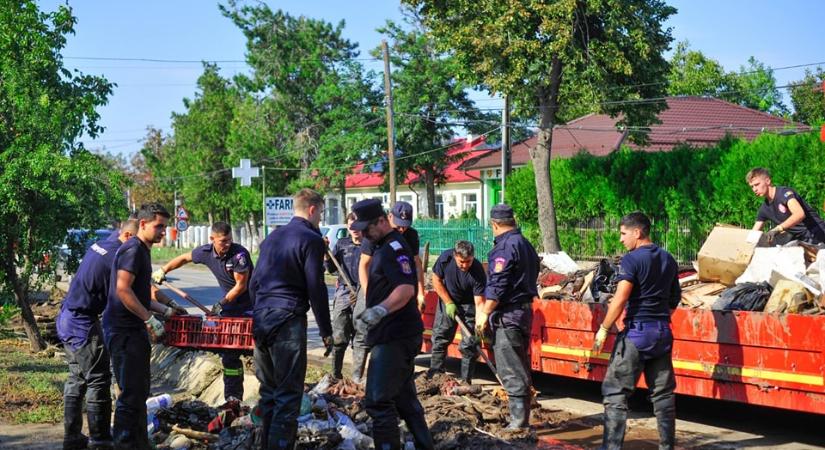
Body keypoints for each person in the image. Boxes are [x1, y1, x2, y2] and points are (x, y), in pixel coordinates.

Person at [249, 189, 333, 450]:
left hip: (262, 320)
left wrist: (260, 311)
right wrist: (326, 330)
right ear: (311, 209)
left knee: (269, 393)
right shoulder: (311, 239)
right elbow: (315, 287)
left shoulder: (272, 237)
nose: (321, 217)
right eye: (320, 211)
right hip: (287, 321)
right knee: (288, 396)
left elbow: (253, 282)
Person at [592, 212, 681, 450]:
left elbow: (620, 298)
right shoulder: (668, 258)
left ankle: (611, 447)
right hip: (662, 334)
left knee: (615, 394)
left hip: (636, 335)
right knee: (663, 396)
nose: (621, 239)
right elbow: (674, 300)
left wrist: (603, 328)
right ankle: (667, 447)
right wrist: (658, 320)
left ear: (637, 232)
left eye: (623, 234)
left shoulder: (631, 261)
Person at [351, 199, 434, 450]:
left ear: (381, 220)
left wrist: (379, 310)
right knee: (403, 398)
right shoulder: (380, 246)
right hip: (392, 333)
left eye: (367, 228)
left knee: (377, 400)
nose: (363, 234)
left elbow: (406, 289)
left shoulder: (394, 248)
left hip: (395, 335)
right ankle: (424, 445)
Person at [57, 219, 145, 449]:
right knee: (98, 379)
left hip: (67, 316)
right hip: (82, 322)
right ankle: (100, 439)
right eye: (134, 242)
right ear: (127, 236)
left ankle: (73, 437)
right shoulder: (117, 254)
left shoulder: (102, 243)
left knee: (77, 376)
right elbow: (123, 291)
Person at [103, 203, 179, 450]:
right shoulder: (133, 249)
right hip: (124, 331)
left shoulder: (142, 250)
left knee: (139, 391)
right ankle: (124, 444)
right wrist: (148, 318)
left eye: (165, 227)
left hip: (132, 330)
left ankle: (138, 443)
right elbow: (122, 290)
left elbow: (140, 293)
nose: (163, 232)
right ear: (143, 224)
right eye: (159, 226)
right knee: (130, 394)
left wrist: (165, 310)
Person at [152, 221, 253, 401]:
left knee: (259, 352)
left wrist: (221, 303)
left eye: (230, 240)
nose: (227, 244)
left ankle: (268, 396)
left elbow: (241, 285)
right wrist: (163, 269)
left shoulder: (239, 255)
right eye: (223, 241)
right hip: (229, 311)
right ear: (212, 239)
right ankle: (233, 399)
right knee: (229, 355)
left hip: (251, 308)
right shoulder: (205, 253)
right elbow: (184, 258)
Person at [476, 204, 539, 430]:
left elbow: (498, 285)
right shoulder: (525, 244)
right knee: (519, 365)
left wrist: (485, 313)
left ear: (494, 224)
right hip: (523, 312)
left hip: (508, 315)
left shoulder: (505, 247)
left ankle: (518, 423)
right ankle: (522, 419)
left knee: (511, 368)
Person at [429, 240, 486, 384]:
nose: (465, 265)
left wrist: (479, 323)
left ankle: (466, 382)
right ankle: (436, 375)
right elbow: (436, 280)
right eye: (462, 261)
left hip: (469, 305)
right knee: (440, 338)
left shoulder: (478, 271)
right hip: (448, 300)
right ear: (455, 256)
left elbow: (479, 302)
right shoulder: (445, 259)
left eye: (469, 261)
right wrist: (448, 302)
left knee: (469, 345)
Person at [357, 201, 426, 312]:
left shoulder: (411, 235)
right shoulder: (375, 233)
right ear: (389, 216)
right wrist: (368, 294)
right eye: (399, 225)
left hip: (402, 287)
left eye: (405, 225)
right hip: (377, 285)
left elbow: (417, 264)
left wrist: (421, 293)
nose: (402, 229)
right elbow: (364, 265)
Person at [324, 212, 368, 382]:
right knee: (339, 335)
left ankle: (357, 378)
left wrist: (362, 295)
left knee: (360, 337)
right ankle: (335, 375)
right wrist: (326, 254)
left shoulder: (370, 245)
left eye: (357, 225)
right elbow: (331, 269)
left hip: (364, 291)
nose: (354, 229)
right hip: (344, 291)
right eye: (351, 226)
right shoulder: (342, 244)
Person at [747, 167, 825, 245]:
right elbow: (754, 234)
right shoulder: (764, 209)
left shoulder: (784, 193)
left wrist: (777, 229)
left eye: (757, 184)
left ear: (767, 181)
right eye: (752, 187)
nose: (754, 189)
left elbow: (799, 214)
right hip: (802, 240)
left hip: (818, 233)